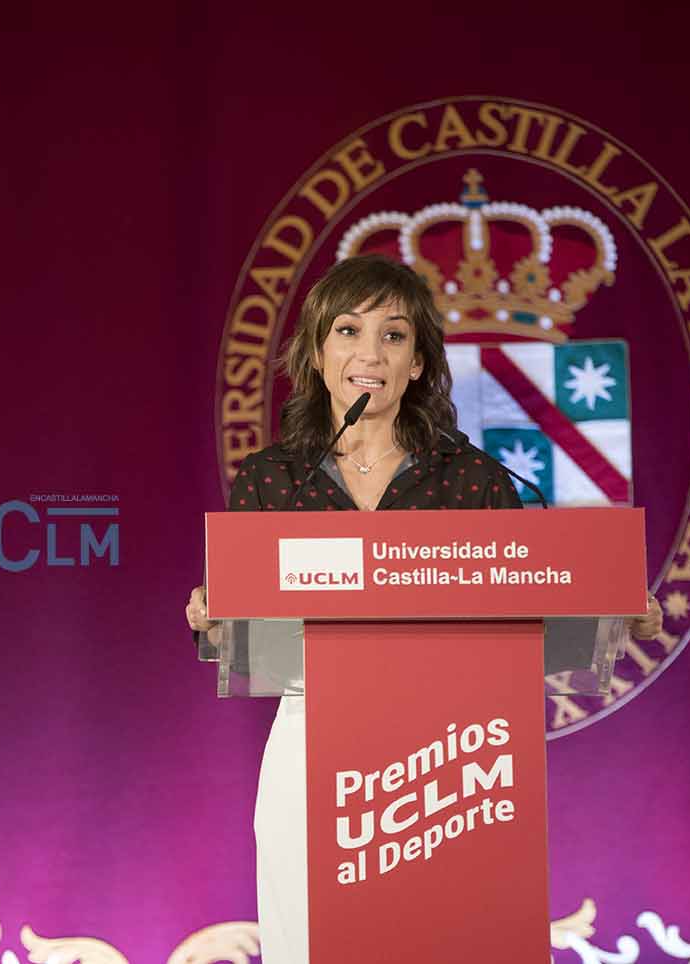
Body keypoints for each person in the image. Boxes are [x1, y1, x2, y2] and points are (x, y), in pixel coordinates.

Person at [183, 253, 662, 964]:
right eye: (347, 330)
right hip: (313, 733)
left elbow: (528, 609)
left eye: (394, 335)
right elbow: (245, 617)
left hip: (454, 750)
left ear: (417, 365)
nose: (369, 353)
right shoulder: (272, 479)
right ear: (317, 354)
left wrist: (615, 610)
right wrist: (213, 614)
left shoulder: (474, 478)